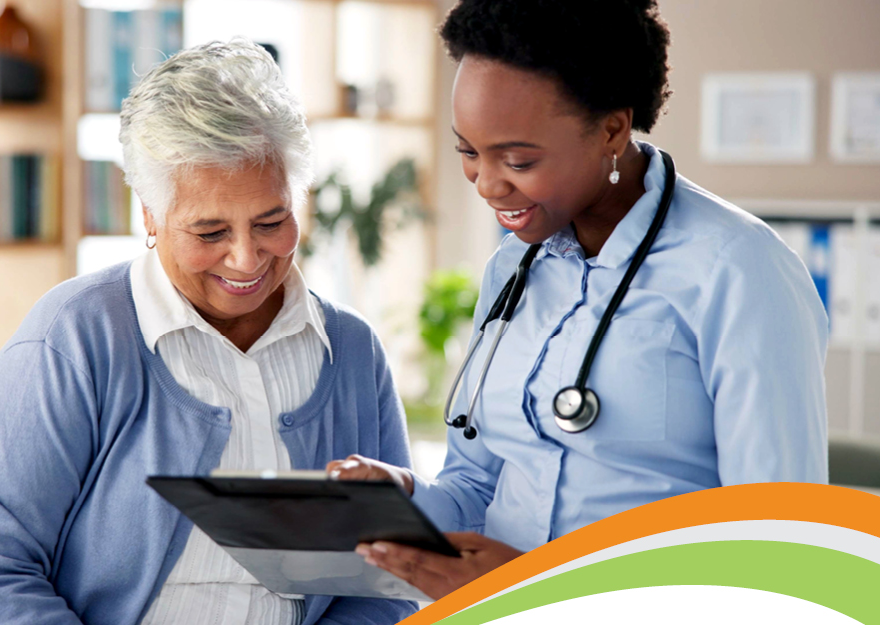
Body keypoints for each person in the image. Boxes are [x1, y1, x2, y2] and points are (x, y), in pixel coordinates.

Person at [329, 0, 829, 600]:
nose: (488, 184)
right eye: (468, 152)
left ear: (613, 130)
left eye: (519, 159)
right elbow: (477, 489)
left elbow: (779, 552)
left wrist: (542, 589)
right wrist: (407, 501)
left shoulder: (739, 269)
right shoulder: (513, 268)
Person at [0, 40, 416, 625]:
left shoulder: (352, 351)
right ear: (149, 216)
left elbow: (387, 580)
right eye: (209, 232)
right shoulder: (73, 341)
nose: (247, 257)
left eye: (271, 221)